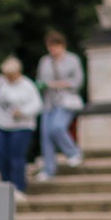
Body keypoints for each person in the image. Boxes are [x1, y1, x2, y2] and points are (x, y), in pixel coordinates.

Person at [34, 29, 85, 182]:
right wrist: (43, 85)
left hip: (66, 101)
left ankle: (73, 152)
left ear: (62, 45)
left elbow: (77, 82)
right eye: (50, 47)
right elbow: (39, 80)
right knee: (46, 136)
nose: (52, 50)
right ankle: (48, 170)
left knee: (57, 127)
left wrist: (56, 84)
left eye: (55, 46)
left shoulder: (72, 60)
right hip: (48, 103)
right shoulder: (44, 61)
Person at [0, 58, 39, 193]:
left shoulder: (27, 85)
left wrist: (23, 112)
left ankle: (19, 187)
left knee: (16, 157)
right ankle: (6, 184)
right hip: (1, 124)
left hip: (21, 126)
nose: (7, 78)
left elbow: (37, 104)